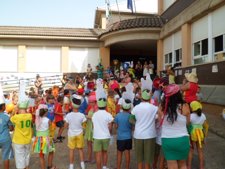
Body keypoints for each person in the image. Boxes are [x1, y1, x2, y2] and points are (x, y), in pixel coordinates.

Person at [159, 84, 190, 169]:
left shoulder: (162, 107)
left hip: (167, 140)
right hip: (182, 139)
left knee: (171, 165)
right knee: (183, 165)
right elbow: (187, 123)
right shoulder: (184, 106)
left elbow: (160, 122)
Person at [131, 74, 158, 169]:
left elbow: (131, 119)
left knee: (139, 160)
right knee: (147, 160)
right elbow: (158, 117)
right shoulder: (154, 108)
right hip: (150, 135)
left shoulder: (136, 108)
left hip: (138, 135)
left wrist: (137, 123)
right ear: (150, 96)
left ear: (141, 96)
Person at [92, 80, 113, 169]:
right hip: (106, 136)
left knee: (98, 154)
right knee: (105, 152)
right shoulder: (108, 114)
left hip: (97, 136)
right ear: (105, 105)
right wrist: (109, 132)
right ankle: (104, 167)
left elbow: (93, 126)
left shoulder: (94, 115)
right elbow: (110, 126)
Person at [11, 87, 33, 169]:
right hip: (27, 140)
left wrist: (14, 110)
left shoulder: (16, 117)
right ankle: (27, 167)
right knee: (26, 155)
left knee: (20, 159)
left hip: (18, 141)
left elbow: (10, 119)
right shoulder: (29, 116)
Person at [64, 94, 87, 169]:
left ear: (72, 104)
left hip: (71, 134)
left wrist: (67, 127)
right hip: (80, 133)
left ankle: (71, 165)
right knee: (80, 149)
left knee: (71, 150)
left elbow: (65, 126)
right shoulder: (82, 115)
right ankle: (82, 164)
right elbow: (84, 125)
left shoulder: (68, 115)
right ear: (79, 105)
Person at [114, 87, 133, 169]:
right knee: (127, 153)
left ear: (122, 107)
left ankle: (118, 167)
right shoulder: (130, 116)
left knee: (119, 153)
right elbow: (132, 127)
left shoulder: (118, 116)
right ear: (129, 107)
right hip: (128, 137)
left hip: (120, 137)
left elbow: (116, 126)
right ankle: (127, 167)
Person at [33, 104, 56, 169]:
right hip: (47, 139)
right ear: (46, 112)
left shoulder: (37, 120)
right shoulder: (48, 120)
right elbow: (51, 128)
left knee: (41, 155)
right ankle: (50, 166)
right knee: (51, 152)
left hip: (39, 139)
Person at [187, 101, 209, 169]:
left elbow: (187, 125)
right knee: (200, 151)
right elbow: (206, 126)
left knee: (191, 151)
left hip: (193, 134)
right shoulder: (203, 115)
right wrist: (205, 135)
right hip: (201, 134)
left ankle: (189, 166)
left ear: (192, 108)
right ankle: (201, 167)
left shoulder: (190, 116)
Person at [0, 87, 14, 169]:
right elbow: (11, 128)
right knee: (6, 156)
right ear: (2, 107)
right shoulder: (6, 116)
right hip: (5, 139)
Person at [84, 94, 98, 163]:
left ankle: (95, 159)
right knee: (89, 144)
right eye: (89, 102)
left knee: (94, 144)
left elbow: (96, 119)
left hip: (94, 128)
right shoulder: (92, 108)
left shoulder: (96, 109)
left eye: (92, 102)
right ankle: (89, 158)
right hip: (89, 127)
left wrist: (87, 117)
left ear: (95, 102)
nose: (90, 103)